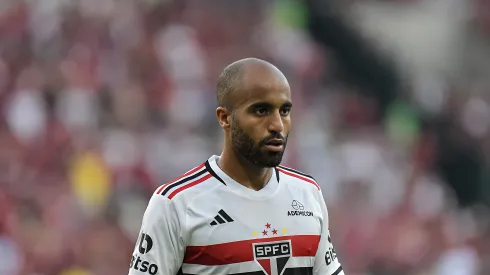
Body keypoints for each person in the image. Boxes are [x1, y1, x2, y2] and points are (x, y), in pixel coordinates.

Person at [128, 58, 344, 275]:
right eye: (261, 111)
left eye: (284, 111)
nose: (277, 125)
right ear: (225, 118)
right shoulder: (175, 203)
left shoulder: (307, 194)